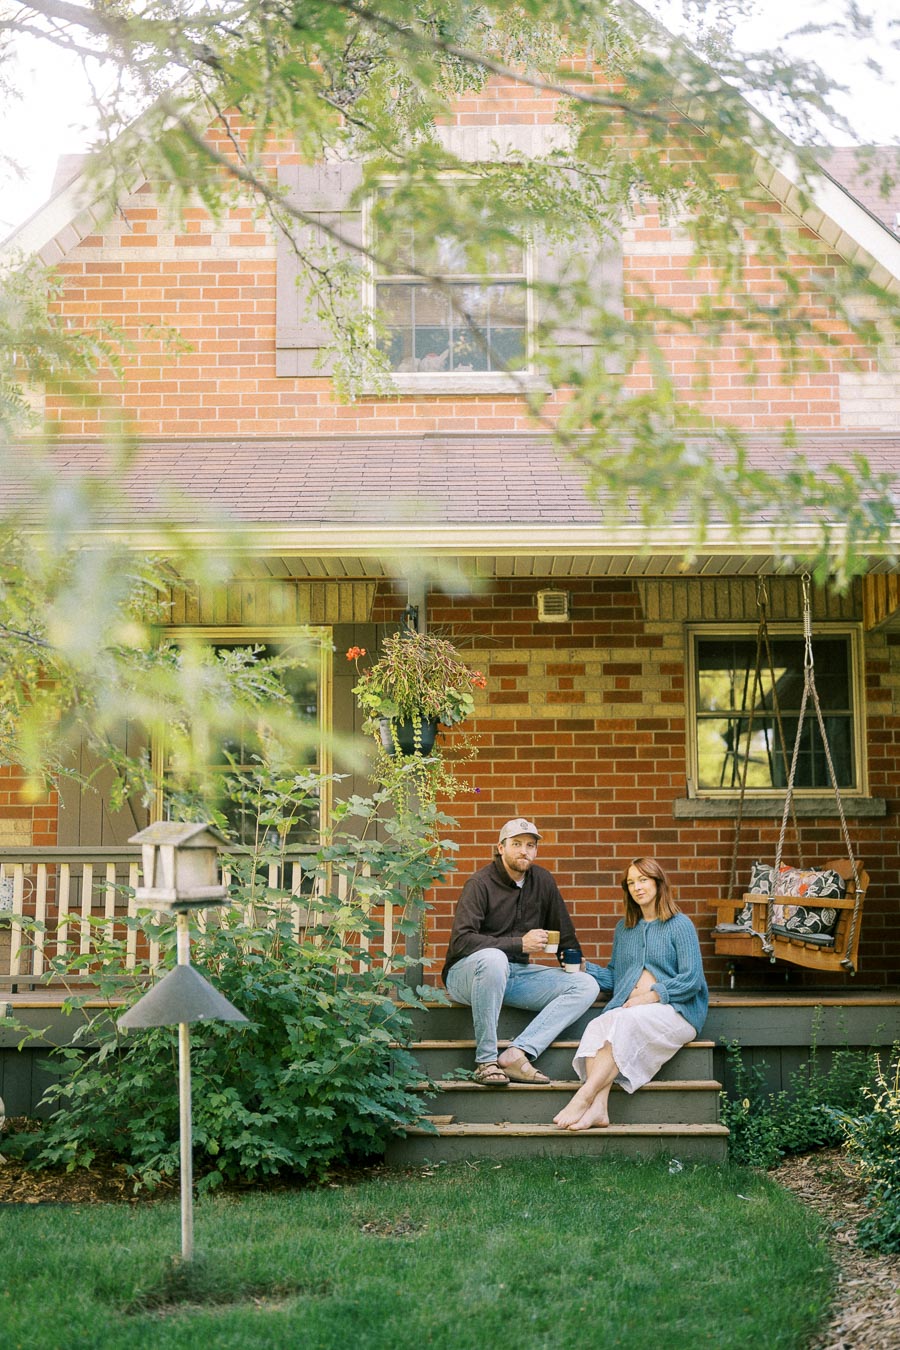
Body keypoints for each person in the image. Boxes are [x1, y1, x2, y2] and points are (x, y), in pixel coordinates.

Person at [553, 857, 708, 1130]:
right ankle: (600, 1110)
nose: (637, 887)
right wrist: (586, 968)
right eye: (631, 882)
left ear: (659, 883)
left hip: (677, 1012)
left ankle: (584, 1096)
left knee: (622, 1022)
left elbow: (692, 980)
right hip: (634, 1011)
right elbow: (617, 977)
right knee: (598, 1025)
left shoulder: (679, 924)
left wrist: (651, 995)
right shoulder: (624, 929)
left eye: (643, 880)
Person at [442, 818, 598, 1086]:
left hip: (513, 976)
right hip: (466, 975)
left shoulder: (542, 881)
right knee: (494, 958)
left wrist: (572, 957)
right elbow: (462, 941)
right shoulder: (479, 884)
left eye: (530, 845)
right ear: (500, 848)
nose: (524, 851)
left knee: (586, 985)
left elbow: (564, 932)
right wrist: (518, 944)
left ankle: (517, 1053)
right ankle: (486, 1062)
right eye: (516, 844)